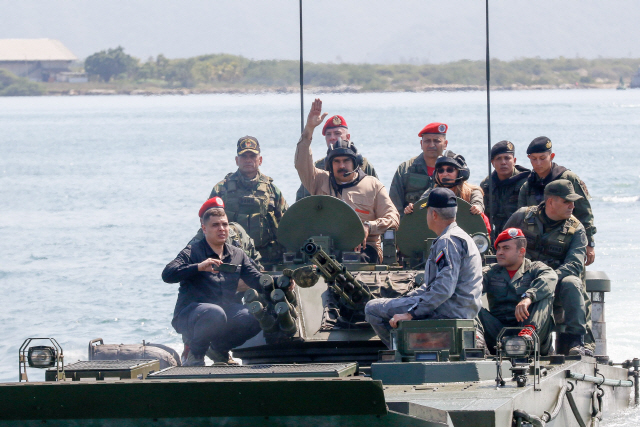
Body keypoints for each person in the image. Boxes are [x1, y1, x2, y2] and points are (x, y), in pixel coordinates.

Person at [364, 187, 483, 348]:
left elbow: (443, 289)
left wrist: (410, 314)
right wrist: (406, 300)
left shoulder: (447, 241)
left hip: (447, 311)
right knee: (395, 303)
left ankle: (402, 352)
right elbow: (434, 286)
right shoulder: (461, 236)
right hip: (459, 308)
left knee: (372, 308)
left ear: (433, 214)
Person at [295, 98, 399, 263]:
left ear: (355, 162)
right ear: (330, 164)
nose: (341, 165)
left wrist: (368, 227)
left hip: (365, 248)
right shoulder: (320, 180)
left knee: (358, 262)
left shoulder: (372, 185)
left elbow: (393, 217)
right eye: (336, 162)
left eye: (346, 161)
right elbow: (301, 164)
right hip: (326, 249)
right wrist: (309, 129)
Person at [162, 197, 264, 366]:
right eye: (215, 225)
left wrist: (283, 281)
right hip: (191, 315)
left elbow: (257, 279)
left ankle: (220, 349)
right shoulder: (193, 251)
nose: (222, 229)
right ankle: (196, 354)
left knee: (256, 315)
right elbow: (167, 274)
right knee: (214, 312)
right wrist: (198, 267)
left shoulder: (237, 254)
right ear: (204, 228)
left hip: (221, 313)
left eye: (224, 224)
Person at [505, 179, 593, 356]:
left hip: (557, 286)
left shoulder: (577, 230)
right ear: (551, 201)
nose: (572, 206)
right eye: (566, 201)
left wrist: (544, 280)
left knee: (572, 282)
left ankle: (576, 341)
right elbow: (502, 245)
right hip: (522, 281)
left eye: (573, 201)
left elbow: (573, 266)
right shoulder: (522, 217)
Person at [202, 136, 288, 268]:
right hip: (230, 259)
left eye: (252, 156)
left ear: (260, 160)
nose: (248, 160)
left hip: (268, 260)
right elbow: (206, 224)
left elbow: (287, 223)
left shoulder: (272, 190)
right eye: (244, 156)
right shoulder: (221, 189)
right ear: (237, 160)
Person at [518, 136, 596, 265]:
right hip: (537, 246)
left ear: (551, 156)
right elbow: (521, 217)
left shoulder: (568, 179)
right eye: (534, 159)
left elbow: (584, 212)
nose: (538, 163)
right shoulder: (528, 185)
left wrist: (590, 243)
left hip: (567, 241)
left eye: (542, 158)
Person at [479, 228, 557, 355]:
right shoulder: (491, 272)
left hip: (533, 335)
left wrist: (529, 297)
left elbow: (550, 278)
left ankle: (527, 336)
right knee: (470, 304)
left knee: (544, 294)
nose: (499, 253)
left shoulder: (535, 269)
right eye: (498, 248)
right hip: (499, 333)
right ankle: (477, 341)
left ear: (521, 251)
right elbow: (470, 284)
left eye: (506, 248)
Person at [295, 114, 378, 201]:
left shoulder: (363, 165)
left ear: (348, 137)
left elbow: (377, 198)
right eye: (328, 134)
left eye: (337, 133)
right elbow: (302, 201)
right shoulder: (317, 168)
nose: (332, 138)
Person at [403, 153, 490, 234]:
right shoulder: (431, 193)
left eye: (450, 170)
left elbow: (478, 202)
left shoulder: (472, 191)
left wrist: (477, 207)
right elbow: (421, 206)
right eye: (441, 170)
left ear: (460, 172)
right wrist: (411, 209)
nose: (445, 174)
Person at [389, 122, 450, 216]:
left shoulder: (452, 170)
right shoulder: (406, 169)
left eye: (437, 141)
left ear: (445, 144)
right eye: (427, 141)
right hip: (413, 226)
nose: (432, 145)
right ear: (421, 144)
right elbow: (395, 204)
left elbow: (467, 192)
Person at [479, 141, 530, 236]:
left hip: (521, 234)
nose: (503, 162)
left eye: (507, 158)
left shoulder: (526, 182)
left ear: (514, 161)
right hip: (495, 234)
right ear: (492, 163)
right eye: (498, 159)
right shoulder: (487, 185)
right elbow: (483, 215)